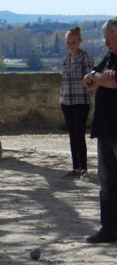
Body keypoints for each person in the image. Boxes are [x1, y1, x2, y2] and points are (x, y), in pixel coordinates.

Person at [83, 17, 117, 243]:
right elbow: (91, 82)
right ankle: (109, 229)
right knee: (107, 183)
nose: (106, 43)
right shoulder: (109, 57)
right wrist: (97, 77)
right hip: (105, 127)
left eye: (110, 38)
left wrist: (98, 78)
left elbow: (113, 83)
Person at [60, 27, 94, 179]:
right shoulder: (66, 60)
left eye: (73, 42)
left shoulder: (85, 58)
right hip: (66, 101)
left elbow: (91, 78)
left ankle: (84, 169)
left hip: (80, 101)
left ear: (79, 42)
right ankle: (75, 167)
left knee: (79, 135)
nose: (70, 45)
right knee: (72, 135)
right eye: (68, 42)